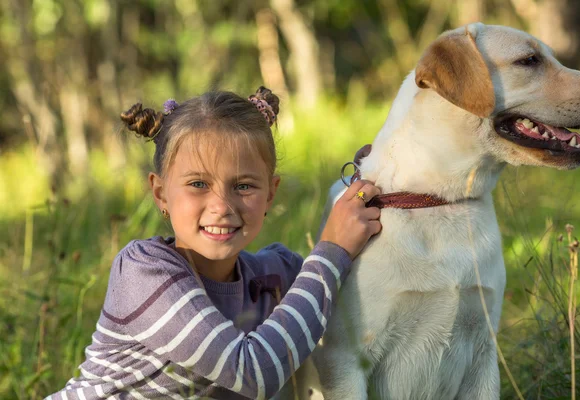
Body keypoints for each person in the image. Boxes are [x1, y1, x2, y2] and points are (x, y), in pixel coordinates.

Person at [46, 87, 381, 399]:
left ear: (271, 193)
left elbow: (328, 295)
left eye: (244, 186)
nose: (221, 206)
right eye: (198, 183)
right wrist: (332, 251)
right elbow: (252, 374)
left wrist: (371, 184)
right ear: (161, 193)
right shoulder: (143, 270)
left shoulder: (277, 274)